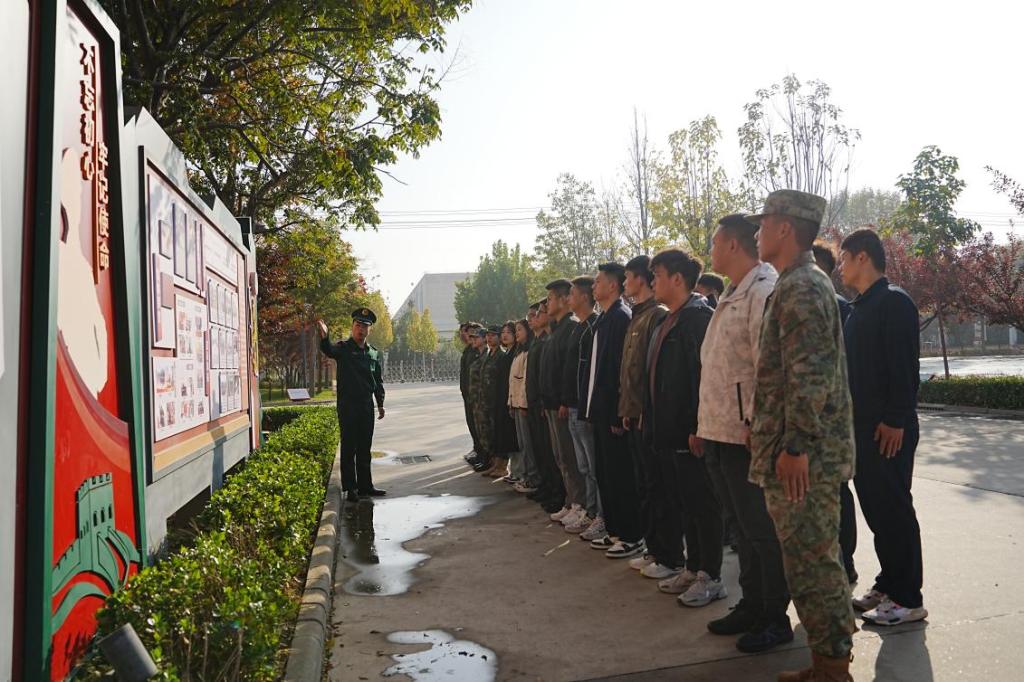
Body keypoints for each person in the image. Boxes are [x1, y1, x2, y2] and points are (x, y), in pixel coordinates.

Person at [748, 189, 857, 681]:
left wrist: (795, 446)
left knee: (814, 563)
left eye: (764, 223)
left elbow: (810, 376)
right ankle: (825, 661)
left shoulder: (803, 287)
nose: (758, 232)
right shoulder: (795, 283)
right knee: (807, 561)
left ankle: (833, 668)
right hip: (798, 453)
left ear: (785, 228)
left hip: (806, 459)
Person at [692, 214, 792, 652]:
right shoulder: (734, 292)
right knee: (740, 528)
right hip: (719, 432)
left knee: (760, 530)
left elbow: (767, 366)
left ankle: (774, 615)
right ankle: (751, 604)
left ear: (733, 245)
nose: (711, 250)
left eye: (715, 242)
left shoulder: (762, 290)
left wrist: (757, 423)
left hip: (746, 435)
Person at [839, 227, 927, 627]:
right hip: (862, 430)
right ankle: (889, 584)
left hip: (887, 431)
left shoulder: (893, 302)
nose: (840, 267)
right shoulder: (860, 307)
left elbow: (904, 367)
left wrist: (895, 419)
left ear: (862, 257)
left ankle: (908, 599)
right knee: (878, 512)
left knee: (894, 511)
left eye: (844, 259)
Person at [643, 249, 721, 600]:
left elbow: (703, 377)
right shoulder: (668, 319)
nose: (652, 282)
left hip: (692, 432)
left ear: (677, 279)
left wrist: (696, 425)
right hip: (669, 431)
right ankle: (693, 566)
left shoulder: (698, 319)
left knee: (703, 504)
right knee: (686, 503)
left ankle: (711, 575)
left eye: (657, 275)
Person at [586, 262, 645, 559]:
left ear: (612, 285)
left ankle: (631, 534)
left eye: (598, 281)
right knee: (606, 475)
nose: (593, 286)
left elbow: (619, 372)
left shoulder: (621, 317)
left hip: (613, 414)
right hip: (600, 412)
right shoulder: (605, 318)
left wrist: (616, 413)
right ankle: (615, 530)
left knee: (621, 476)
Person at [618, 255, 668, 570]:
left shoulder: (656, 315)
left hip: (648, 418)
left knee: (657, 488)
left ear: (641, 279)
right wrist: (627, 407)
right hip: (633, 414)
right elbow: (629, 373)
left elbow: (653, 372)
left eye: (627, 277)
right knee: (644, 486)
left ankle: (667, 555)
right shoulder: (637, 316)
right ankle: (654, 549)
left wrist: (645, 411)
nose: (625, 283)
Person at [813, 240, 857, 584]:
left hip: (833, 421)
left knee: (837, 492)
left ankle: (846, 560)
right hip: (816, 421)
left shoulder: (838, 306)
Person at [317, 308, 387, 502]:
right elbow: (329, 350)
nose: (360, 329)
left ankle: (366, 486)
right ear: (353, 327)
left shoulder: (373, 352)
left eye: (364, 326)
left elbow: (377, 379)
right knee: (349, 447)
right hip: (348, 405)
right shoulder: (344, 348)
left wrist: (380, 402)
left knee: (365, 447)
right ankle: (351, 488)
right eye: (357, 325)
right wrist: (325, 337)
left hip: (366, 405)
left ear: (369, 329)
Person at [541, 279, 588, 527]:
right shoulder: (556, 329)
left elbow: (567, 370)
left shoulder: (571, 327)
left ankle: (580, 504)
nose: (547, 304)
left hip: (563, 405)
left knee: (571, 458)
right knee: (561, 457)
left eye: (550, 299)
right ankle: (570, 502)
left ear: (562, 300)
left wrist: (563, 400)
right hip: (550, 404)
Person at [562, 277, 602, 535]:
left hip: (584, 408)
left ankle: (598, 514)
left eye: (572, 294)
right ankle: (589, 510)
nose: (569, 299)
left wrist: (585, 406)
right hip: (574, 406)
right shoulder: (578, 327)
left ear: (585, 297)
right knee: (583, 466)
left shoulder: (593, 327)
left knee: (593, 467)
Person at [527, 301, 565, 513]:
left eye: (537, 314)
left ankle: (559, 493)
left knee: (556, 455)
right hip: (537, 402)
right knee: (542, 450)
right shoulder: (539, 341)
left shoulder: (549, 339)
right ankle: (548, 487)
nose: (533, 319)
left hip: (550, 404)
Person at [508, 319, 540, 494]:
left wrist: (522, 404)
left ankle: (532, 478)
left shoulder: (528, 352)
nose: (517, 333)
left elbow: (525, 381)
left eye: (520, 329)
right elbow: (513, 382)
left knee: (528, 444)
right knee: (522, 444)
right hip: (516, 404)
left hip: (523, 405)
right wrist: (510, 402)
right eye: (516, 330)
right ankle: (525, 476)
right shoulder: (518, 353)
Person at [487, 323, 520, 479]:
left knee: (513, 438)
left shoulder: (515, 353)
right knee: (503, 435)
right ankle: (502, 466)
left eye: (509, 332)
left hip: (512, 400)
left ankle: (515, 471)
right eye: (503, 332)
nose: (505, 335)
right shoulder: (508, 353)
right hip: (502, 399)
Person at [479, 326, 508, 477]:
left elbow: (502, 382)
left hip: (497, 401)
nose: (489, 338)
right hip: (487, 402)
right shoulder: (489, 355)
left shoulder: (502, 356)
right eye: (488, 335)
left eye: (493, 335)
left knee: (500, 434)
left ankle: (502, 466)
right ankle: (495, 464)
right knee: (491, 434)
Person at [470, 326, 495, 473]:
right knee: (480, 430)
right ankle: (485, 457)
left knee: (486, 430)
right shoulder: (479, 356)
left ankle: (489, 460)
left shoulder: (487, 356)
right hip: (477, 400)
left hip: (484, 400)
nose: (473, 340)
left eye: (476, 337)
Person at [460, 323, 484, 464]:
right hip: (468, 394)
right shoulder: (468, 351)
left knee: (480, 426)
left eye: (471, 333)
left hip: (477, 396)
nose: (467, 335)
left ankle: (483, 454)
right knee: (472, 424)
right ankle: (477, 449)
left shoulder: (478, 353)